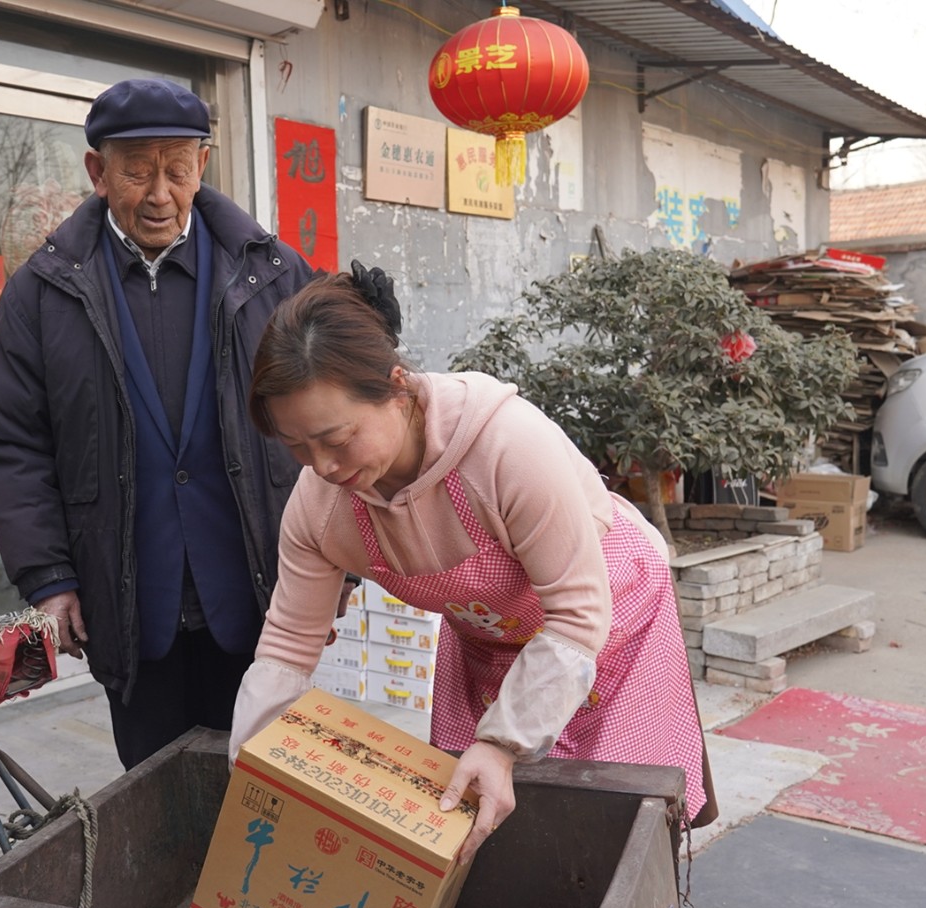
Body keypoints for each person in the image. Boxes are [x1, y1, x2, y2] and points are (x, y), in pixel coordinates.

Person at [228, 272, 716, 863]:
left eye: (337, 438)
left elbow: (577, 615)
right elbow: (287, 645)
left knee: (606, 818)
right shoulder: (321, 507)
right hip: (487, 633)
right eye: (297, 446)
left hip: (607, 620)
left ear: (396, 387)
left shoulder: (506, 447)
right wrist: (254, 765)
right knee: (469, 815)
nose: (322, 466)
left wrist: (504, 742)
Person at [0, 78, 316, 768]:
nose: (160, 193)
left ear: (202, 167)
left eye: (177, 170)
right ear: (97, 172)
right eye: (137, 172)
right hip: (128, 603)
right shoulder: (43, 292)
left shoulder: (271, 276)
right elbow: (13, 445)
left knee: (266, 790)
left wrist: (334, 575)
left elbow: (328, 425)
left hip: (258, 599)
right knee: (154, 798)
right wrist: (48, 579)